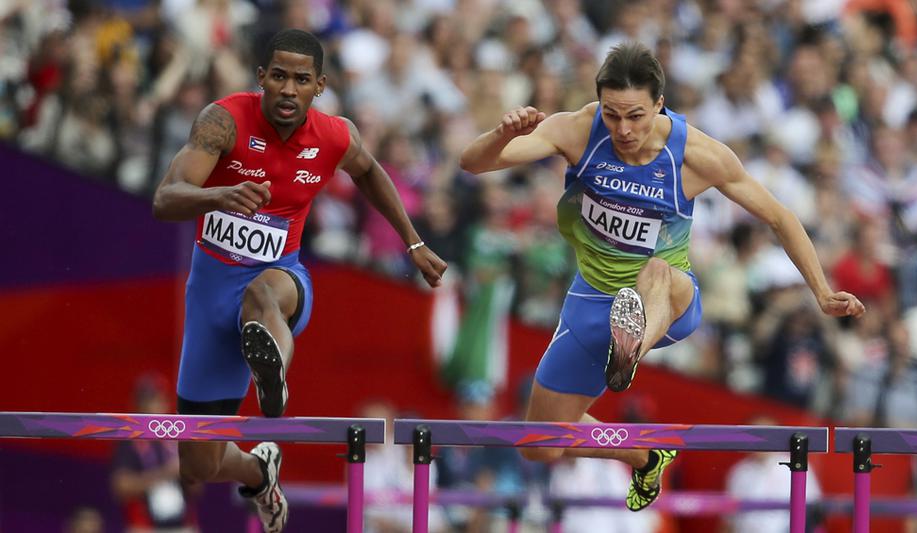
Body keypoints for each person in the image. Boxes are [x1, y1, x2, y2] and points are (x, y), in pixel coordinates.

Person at [459, 42, 865, 512]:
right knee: (540, 442)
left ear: (659, 104)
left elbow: (779, 216)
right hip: (591, 302)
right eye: (612, 115)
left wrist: (821, 291)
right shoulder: (578, 130)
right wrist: (501, 134)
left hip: (669, 300)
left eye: (635, 116)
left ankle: (630, 347)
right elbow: (473, 163)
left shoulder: (696, 155)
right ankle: (644, 454)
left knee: (655, 269)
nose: (623, 129)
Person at [152, 29, 447, 533]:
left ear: (320, 85)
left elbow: (369, 172)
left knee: (262, 294)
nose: (289, 89)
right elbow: (165, 198)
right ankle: (258, 469)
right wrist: (218, 196)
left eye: (302, 80)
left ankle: (274, 377)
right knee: (198, 464)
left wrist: (414, 242)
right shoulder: (223, 121)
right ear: (261, 77)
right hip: (209, 297)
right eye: (280, 76)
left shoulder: (334, 135)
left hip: (282, 278)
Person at [111, 374, 199, 532]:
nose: (154, 407)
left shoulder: (177, 438)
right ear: (137, 405)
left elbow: (197, 488)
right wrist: (165, 473)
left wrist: (189, 472)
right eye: (148, 401)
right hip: (143, 527)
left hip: (182, 526)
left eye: (158, 400)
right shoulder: (129, 442)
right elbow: (121, 486)